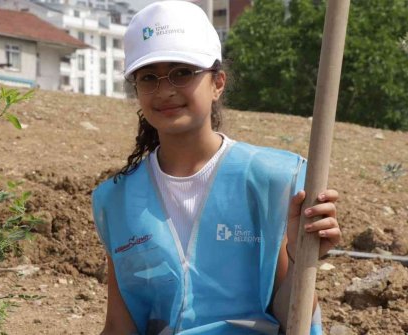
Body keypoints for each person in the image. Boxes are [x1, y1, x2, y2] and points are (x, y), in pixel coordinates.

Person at [91, 1, 341, 334]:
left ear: (217, 82)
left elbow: (291, 317)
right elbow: (120, 326)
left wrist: (300, 257)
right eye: (149, 77)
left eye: (182, 73)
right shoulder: (117, 201)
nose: (165, 90)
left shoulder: (270, 181)